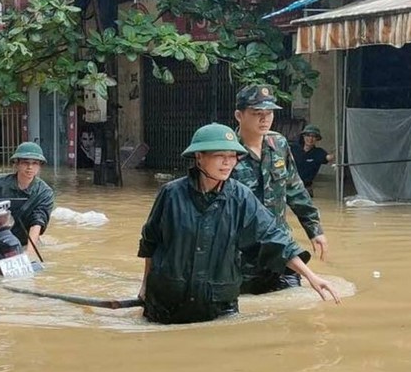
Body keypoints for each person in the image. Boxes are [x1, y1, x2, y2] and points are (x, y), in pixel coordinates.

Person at [137, 124, 339, 325]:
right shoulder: (171, 194)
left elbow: (273, 239)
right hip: (167, 305)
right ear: (199, 157)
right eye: (219, 155)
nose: (227, 163)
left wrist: (312, 277)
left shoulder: (240, 197)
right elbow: (151, 242)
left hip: (219, 307)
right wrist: (145, 286)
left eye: (232, 156)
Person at [230, 85, 328, 294]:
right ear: (239, 115)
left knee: (293, 304)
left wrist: (314, 229)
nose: (265, 119)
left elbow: (294, 188)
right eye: (257, 114)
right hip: (245, 254)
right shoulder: (226, 152)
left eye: (269, 113)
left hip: (282, 247)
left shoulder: (279, 143)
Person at [0, 142, 54, 253]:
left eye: (35, 163)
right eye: (25, 162)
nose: (30, 167)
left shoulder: (44, 193)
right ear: (17, 164)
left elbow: (37, 222)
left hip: (23, 242)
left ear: (40, 166)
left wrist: (30, 253)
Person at [290, 124, 334, 194]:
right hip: (289, 185)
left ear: (317, 139)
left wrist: (336, 153)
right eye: (308, 135)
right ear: (303, 136)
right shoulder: (293, 148)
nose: (310, 139)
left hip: (305, 188)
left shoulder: (318, 152)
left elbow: (328, 158)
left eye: (313, 136)